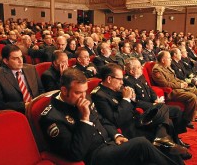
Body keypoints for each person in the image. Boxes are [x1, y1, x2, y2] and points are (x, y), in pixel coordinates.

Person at [39, 68, 179, 165]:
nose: (83, 97)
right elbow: (75, 154)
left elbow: (102, 120)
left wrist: (116, 136)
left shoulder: (84, 97)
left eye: (84, 92)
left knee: (162, 154)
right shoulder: (51, 117)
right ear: (64, 90)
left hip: (110, 144)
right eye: (78, 93)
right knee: (141, 143)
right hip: (95, 156)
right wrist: (84, 119)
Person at [91, 63, 190, 163]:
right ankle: (165, 141)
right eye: (120, 79)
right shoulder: (99, 95)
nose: (122, 82)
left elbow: (133, 106)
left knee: (162, 107)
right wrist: (126, 99)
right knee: (167, 124)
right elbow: (116, 120)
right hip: (129, 128)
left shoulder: (116, 87)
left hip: (138, 119)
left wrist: (132, 99)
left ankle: (162, 138)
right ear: (109, 79)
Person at [123, 57, 190, 147]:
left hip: (154, 105)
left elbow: (150, 89)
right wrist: (152, 104)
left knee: (177, 110)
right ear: (131, 71)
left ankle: (175, 137)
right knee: (173, 113)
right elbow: (135, 102)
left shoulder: (140, 76)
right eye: (138, 67)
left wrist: (155, 99)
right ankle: (173, 140)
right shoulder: (128, 81)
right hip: (146, 109)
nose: (141, 68)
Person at [0, 45, 44, 113]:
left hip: (37, 108)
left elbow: (41, 90)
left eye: (21, 56)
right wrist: (24, 105)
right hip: (16, 113)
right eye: (15, 58)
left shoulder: (31, 69)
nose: (20, 61)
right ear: (6, 61)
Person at [152, 51, 197, 128]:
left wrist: (183, 82)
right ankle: (186, 120)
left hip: (177, 88)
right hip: (171, 92)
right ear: (163, 60)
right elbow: (165, 84)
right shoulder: (157, 70)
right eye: (169, 58)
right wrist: (180, 85)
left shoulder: (166, 66)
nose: (170, 60)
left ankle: (192, 116)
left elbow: (174, 78)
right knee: (192, 97)